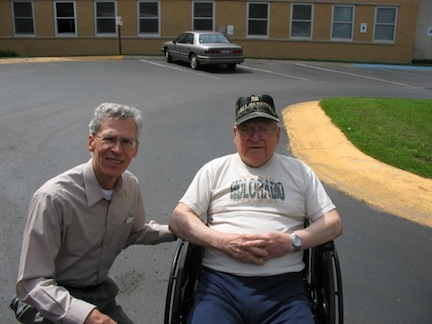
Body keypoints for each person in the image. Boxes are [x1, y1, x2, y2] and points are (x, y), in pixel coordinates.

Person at [169, 94, 343, 323]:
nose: (254, 137)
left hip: (285, 291)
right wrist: (223, 242)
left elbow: (334, 222)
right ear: (235, 134)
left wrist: (292, 242)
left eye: (263, 128)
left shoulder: (300, 172)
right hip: (220, 287)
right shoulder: (215, 170)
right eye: (247, 129)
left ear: (277, 134)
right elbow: (178, 219)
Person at [11, 102, 175, 324]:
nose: (117, 149)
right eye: (109, 139)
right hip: (51, 301)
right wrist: (89, 316)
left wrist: (180, 231)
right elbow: (32, 282)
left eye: (126, 142)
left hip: (100, 295)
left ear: (135, 149)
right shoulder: (53, 198)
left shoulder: (130, 186)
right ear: (91, 142)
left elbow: (134, 233)